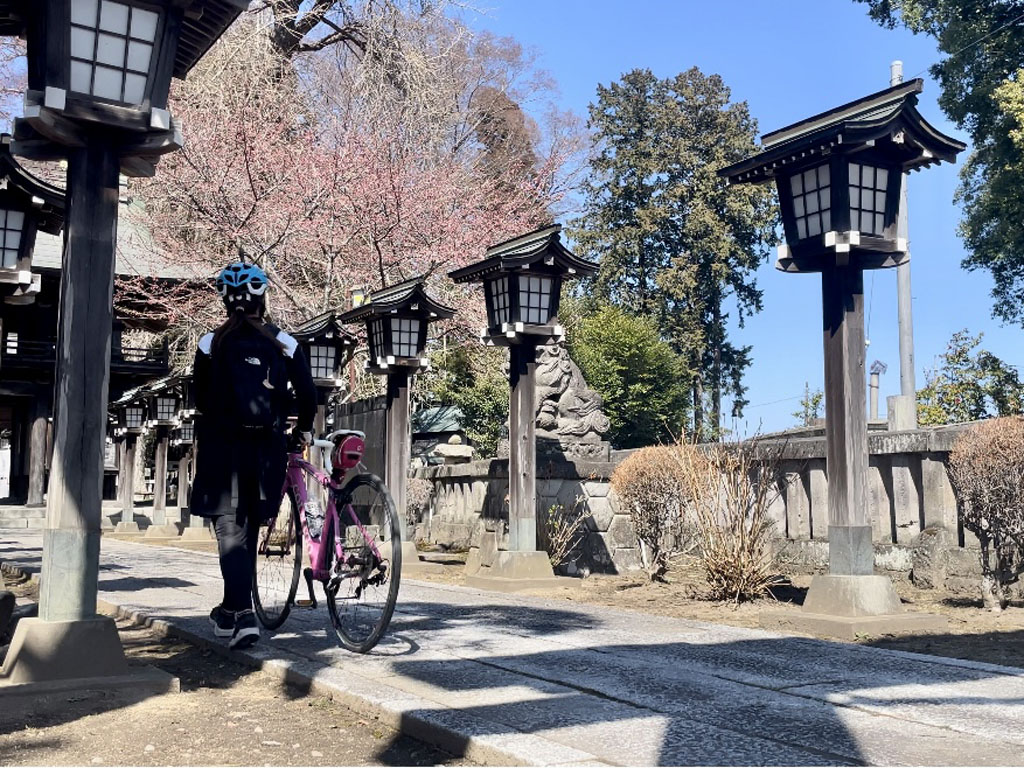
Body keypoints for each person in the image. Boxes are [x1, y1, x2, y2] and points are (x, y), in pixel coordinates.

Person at [190, 261, 317, 650]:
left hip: (221, 446)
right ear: (263, 298)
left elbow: (198, 397)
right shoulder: (285, 343)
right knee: (249, 527)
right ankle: (230, 611)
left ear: (225, 300)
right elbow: (309, 398)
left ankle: (243, 615)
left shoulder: (210, 343)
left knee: (230, 529)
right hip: (267, 448)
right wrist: (300, 431)